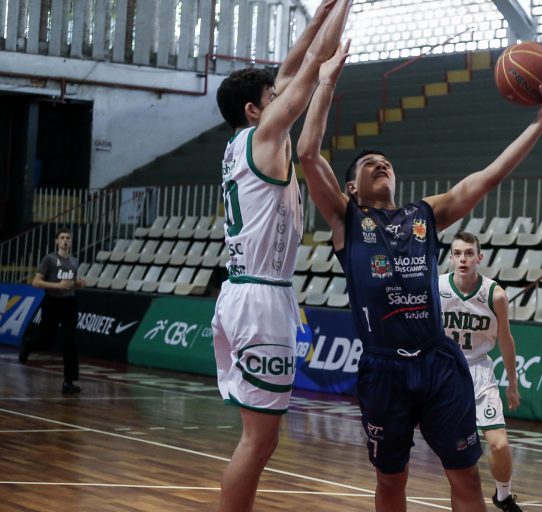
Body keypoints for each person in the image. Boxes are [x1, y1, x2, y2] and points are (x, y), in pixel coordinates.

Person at [297, 42, 542, 511]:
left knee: (465, 476)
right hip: (384, 368)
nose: (382, 163)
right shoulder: (346, 220)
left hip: (438, 362)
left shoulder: (424, 215)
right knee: (390, 480)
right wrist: (326, 82)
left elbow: (487, 178)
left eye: (387, 162)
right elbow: (307, 154)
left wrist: (538, 123)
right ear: (352, 186)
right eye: (370, 163)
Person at [210, 0, 353, 510]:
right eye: (273, 96)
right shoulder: (266, 137)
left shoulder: (243, 143)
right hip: (260, 299)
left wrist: (319, 17)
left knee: (259, 439)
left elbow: (295, 65)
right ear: (255, 110)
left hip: (244, 292)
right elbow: (311, 65)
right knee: (259, 441)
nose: (282, 94)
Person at [440, 232, 523, 512]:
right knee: (455, 452)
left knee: (499, 444)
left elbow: (506, 340)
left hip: (478, 369)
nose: (463, 259)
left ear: (479, 257)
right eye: (457, 253)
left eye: (468, 253)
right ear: (451, 258)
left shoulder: (495, 295)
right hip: (445, 371)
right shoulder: (436, 288)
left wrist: (512, 384)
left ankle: (503, 495)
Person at [19, 227, 86, 394]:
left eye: (67, 238)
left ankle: (69, 382)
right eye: (62, 238)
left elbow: (70, 281)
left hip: (69, 302)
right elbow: (36, 282)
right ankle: (28, 345)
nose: (65, 241)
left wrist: (78, 283)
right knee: (46, 340)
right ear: (57, 241)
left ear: (71, 241)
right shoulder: (49, 259)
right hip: (52, 302)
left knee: (70, 341)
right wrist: (57, 285)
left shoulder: (74, 261)